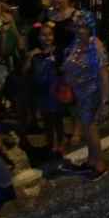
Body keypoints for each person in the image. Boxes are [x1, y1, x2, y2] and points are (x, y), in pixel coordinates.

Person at [58, 15, 109, 181]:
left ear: (90, 28)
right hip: (79, 95)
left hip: (91, 94)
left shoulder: (95, 45)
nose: (79, 30)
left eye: (83, 27)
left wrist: (105, 101)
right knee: (87, 130)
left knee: (91, 128)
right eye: (77, 26)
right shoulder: (76, 43)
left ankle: (100, 165)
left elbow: (104, 75)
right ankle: (91, 161)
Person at [23, 22, 66, 155]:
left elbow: (63, 68)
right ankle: (50, 142)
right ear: (38, 37)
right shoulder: (35, 54)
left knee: (57, 117)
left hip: (55, 88)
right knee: (46, 118)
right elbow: (25, 71)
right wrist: (30, 58)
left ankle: (61, 141)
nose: (47, 38)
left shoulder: (58, 51)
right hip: (42, 91)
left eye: (50, 35)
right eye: (43, 35)